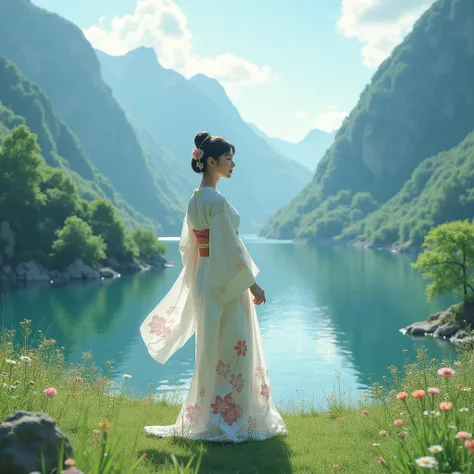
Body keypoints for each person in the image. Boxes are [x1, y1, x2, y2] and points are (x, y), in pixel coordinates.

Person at [140, 132, 287, 442]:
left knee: (212, 349)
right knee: (234, 346)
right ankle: (229, 417)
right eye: (228, 158)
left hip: (207, 278)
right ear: (211, 161)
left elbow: (189, 246)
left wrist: (198, 276)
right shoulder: (216, 202)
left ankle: (211, 414)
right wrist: (252, 285)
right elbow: (231, 249)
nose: (233, 164)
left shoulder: (196, 199)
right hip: (226, 283)